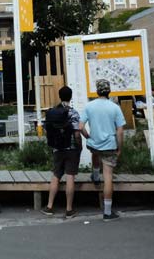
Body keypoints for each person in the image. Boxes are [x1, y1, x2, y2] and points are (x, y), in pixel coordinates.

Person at [79, 79, 125, 221]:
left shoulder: (89, 106)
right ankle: (107, 212)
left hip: (94, 144)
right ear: (109, 91)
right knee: (109, 177)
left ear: (97, 91)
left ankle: (95, 175)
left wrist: (88, 137)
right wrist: (119, 148)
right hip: (109, 145)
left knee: (95, 152)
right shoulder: (115, 107)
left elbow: (80, 126)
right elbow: (120, 131)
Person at [41, 86, 82, 219]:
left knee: (56, 175)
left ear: (60, 96)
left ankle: (49, 206)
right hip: (71, 149)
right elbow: (76, 133)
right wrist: (79, 146)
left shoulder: (53, 112)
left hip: (57, 148)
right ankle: (69, 209)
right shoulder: (73, 113)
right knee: (70, 176)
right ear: (71, 97)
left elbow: (47, 129)